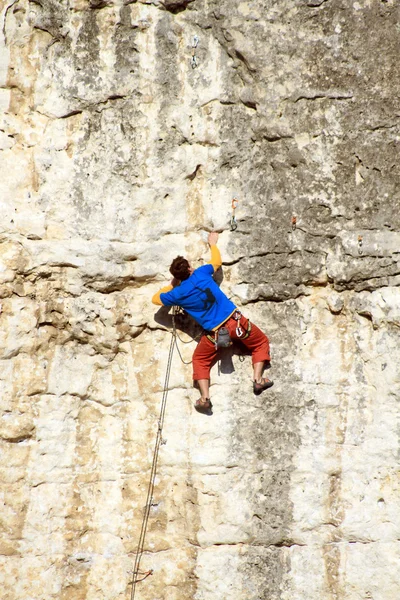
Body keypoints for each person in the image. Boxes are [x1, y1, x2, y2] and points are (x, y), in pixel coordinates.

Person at [152, 232, 273, 413]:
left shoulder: (177, 294)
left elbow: (155, 299)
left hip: (214, 334)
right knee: (260, 342)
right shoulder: (201, 273)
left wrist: (173, 284)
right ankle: (257, 379)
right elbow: (216, 262)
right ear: (190, 268)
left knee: (200, 359)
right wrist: (213, 244)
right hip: (237, 323)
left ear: (178, 276)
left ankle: (205, 398)